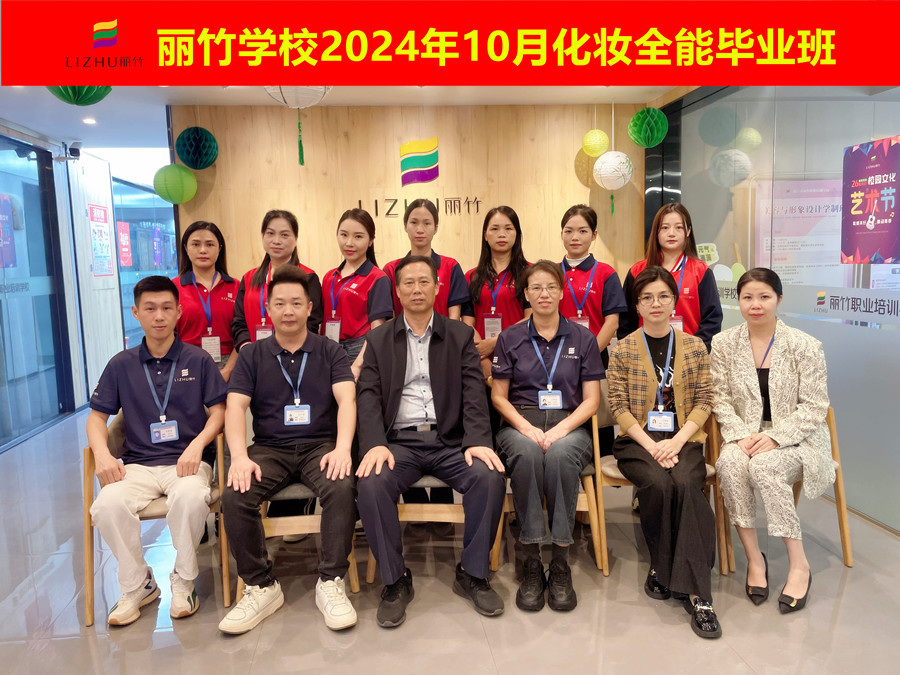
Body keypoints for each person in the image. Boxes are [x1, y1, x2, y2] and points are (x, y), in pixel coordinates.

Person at [355, 255, 507, 627]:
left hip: (449, 441)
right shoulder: (378, 339)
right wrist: (374, 443)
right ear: (397, 291)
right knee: (371, 484)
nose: (417, 289)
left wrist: (477, 439)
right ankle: (395, 581)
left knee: (489, 477)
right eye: (408, 283)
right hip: (399, 443)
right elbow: (368, 395)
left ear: (438, 288)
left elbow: (474, 391)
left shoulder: (459, 335)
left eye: (424, 281)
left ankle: (473, 573)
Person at [218, 266, 358, 634]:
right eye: (279, 303)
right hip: (269, 448)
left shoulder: (330, 350)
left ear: (310, 307)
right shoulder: (252, 355)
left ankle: (331, 581)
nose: (288, 311)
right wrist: (239, 457)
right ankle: (261, 586)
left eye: (296, 303)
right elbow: (234, 406)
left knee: (342, 487)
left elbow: (347, 400)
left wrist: (343, 448)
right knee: (235, 494)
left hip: (320, 447)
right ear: (268, 308)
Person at [87, 276, 227, 626]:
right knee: (105, 505)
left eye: (167, 308)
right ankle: (138, 584)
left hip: (188, 463)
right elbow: (96, 418)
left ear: (179, 312)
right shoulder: (121, 364)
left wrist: (198, 444)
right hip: (138, 465)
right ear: (135, 312)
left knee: (191, 498)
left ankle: (184, 579)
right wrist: (103, 455)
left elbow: (220, 412)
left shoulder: (198, 360)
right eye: (150, 308)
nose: (159, 316)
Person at [607, 266, 721, 639]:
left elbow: (705, 399)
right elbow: (618, 406)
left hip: (683, 437)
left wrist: (677, 441)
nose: (655, 304)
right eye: (647, 297)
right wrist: (653, 445)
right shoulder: (623, 349)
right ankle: (663, 563)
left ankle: (698, 595)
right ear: (637, 304)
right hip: (638, 440)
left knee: (687, 482)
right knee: (658, 483)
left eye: (663, 296)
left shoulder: (695, 346)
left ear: (674, 301)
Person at [712, 268, 831, 614]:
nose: (756, 304)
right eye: (747, 297)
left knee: (765, 467)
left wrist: (775, 437)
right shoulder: (724, 343)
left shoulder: (805, 345)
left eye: (764, 297)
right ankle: (754, 558)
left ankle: (799, 564)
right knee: (729, 464)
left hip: (796, 437)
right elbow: (720, 399)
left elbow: (815, 406)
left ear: (778, 299)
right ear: (738, 301)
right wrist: (741, 435)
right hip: (744, 434)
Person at [491, 260, 603, 612]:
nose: (544, 294)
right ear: (526, 294)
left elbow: (592, 401)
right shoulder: (510, 338)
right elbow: (498, 396)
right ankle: (530, 559)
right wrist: (526, 428)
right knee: (526, 454)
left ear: (561, 293)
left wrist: (559, 430)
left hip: (569, 423)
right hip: (520, 422)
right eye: (536, 288)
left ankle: (559, 562)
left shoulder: (583, 338)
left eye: (551, 287)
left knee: (559, 456)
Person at [231, 209, 322, 522]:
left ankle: (295, 509)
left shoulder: (308, 277)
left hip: (299, 361)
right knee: (269, 428)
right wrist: (251, 351)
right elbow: (239, 322)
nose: (277, 240)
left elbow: (315, 321)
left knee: (301, 427)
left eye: (285, 234)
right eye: (270, 233)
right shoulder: (249, 279)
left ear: (295, 239)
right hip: (261, 363)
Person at [383, 199, 468, 505]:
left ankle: (442, 506)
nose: (420, 229)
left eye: (427, 223)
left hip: (443, 348)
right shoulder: (392, 268)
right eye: (414, 222)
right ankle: (417, 508)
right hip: (405, 348)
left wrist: (451, 348)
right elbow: (390, 317)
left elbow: (456, 315)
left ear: (436, 227)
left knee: (442, 415)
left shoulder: (451, 266)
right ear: (405, 226)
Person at [558, 204, 627, 456]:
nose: (575, 237)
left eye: (583, 231)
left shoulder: (606, 273)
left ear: (594, 235)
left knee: (598, 417)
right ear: (561, 234)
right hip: (557, 357)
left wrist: (586, 354)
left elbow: (612, 322)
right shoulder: (552, 273)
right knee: (562, 413)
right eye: (569, 231)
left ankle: (600, 469)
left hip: (596, 356)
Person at [619, 203, 722, 351]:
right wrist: (632, 351)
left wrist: (696, 351)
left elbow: (712, 319)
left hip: (689, 353)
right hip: (644, 352)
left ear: (688, 231)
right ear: (656, 232)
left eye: (678, 227)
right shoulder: (637, 271)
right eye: (665, 228)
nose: (671, 233)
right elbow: (626, 320)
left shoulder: (701, 271)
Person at [320, 208, 393, 379]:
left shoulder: (377, 278)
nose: (349, 243)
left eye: (358, 236)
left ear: (371, 241)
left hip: (359, 351)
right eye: (344, 235)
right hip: (328, 349)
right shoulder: (329, 277)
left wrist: (358, 365)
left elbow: (378, 329)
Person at [462, 205, 531, 378]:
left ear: (517, 234)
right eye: (494, 229)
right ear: (485, 235)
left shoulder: (530, 273)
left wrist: (495, 342)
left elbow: (531, 318)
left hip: (521, 356)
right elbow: (467, 323)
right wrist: (483, 359)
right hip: (481, 361)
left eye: (508, 228)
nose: (502, 234)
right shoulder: (471, 276)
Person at [172, 221, 240, 381]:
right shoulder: (173, 288)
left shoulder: (236, 287)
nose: (203, 250)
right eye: (196, 244)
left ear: (219, 248)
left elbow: (243, 333)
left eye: (210, 244)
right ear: (186, 248)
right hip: (185, 364)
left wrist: (228, 370)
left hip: (231, 365)